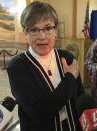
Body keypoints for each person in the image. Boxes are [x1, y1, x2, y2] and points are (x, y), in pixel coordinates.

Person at [7, 1, 85, 131]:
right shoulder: (18, 66)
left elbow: (80, 97)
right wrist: (69, 78)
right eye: (34, 29)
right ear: (25, 33)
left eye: (48, 28)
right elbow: (40, 113)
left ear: (55, 30)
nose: (42, 36)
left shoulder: (67, 57)